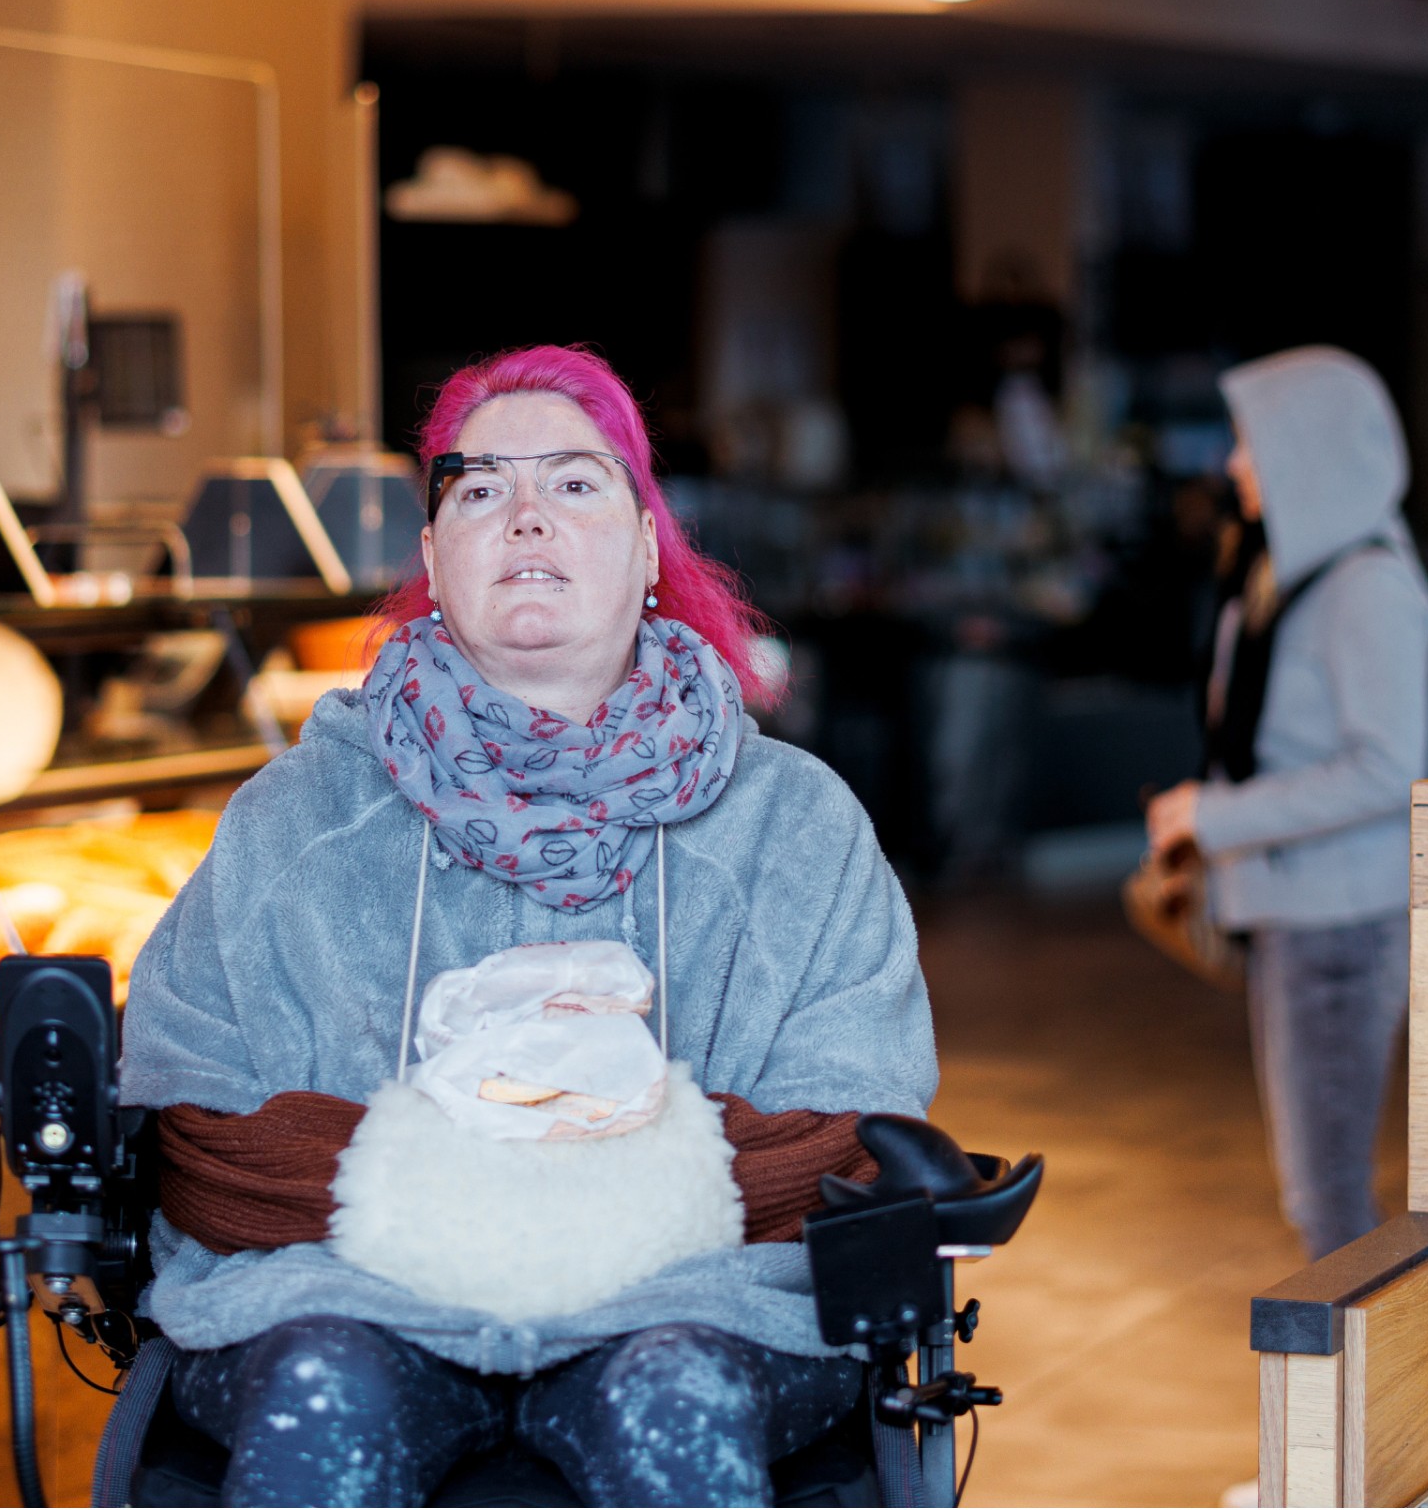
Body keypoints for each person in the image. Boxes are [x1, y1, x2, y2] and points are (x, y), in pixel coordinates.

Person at [120, 345, 937, 1507]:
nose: (526, 517)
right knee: (324, 1391)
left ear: (649, 543)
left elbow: (852, 1135)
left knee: (676, 1398)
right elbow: (195, 1123)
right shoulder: (294, 818)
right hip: (337, 1298)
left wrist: (449, 1178)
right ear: (433, 557)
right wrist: (580, 1178)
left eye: (574, 482)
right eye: (481, 488)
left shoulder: (795, 827)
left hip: (698, 1308)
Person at [1144, 346, 1428, 1260]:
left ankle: (1357, 1397)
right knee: (1318, 1190)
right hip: (1303, 918)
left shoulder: (1368, 587)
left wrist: (1213, 815)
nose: (1232, 465)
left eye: (1251, 444)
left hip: (1341, 925)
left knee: (1328, 1197)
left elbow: (1391, 769)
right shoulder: (1286, 569)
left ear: (1310, 448)